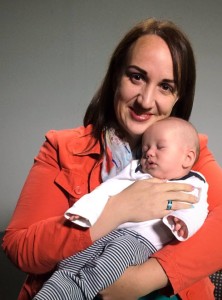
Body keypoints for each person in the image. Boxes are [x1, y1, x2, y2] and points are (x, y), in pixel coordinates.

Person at [2, 17, 222, 300]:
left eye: (166, 86)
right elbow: (20, 248)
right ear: (116, 75)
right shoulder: (62, 148)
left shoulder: (191, 157)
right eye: (137, 76)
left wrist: (145, 278)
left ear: (178, 97)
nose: (145, 100)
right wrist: (118, 209)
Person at [33, 117, 209, 300]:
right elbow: (108, 190)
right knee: (72, 260)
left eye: (160, 147)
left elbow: (199, 209)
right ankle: (50, 293)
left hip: (141, 241)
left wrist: (184, 222)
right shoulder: (136, 171)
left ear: (187, 158)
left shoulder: (195, 183)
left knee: (110, 262)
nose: (149, 153)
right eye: (146, 148)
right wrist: (85, 211)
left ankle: (80, 292)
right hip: (110, 230)